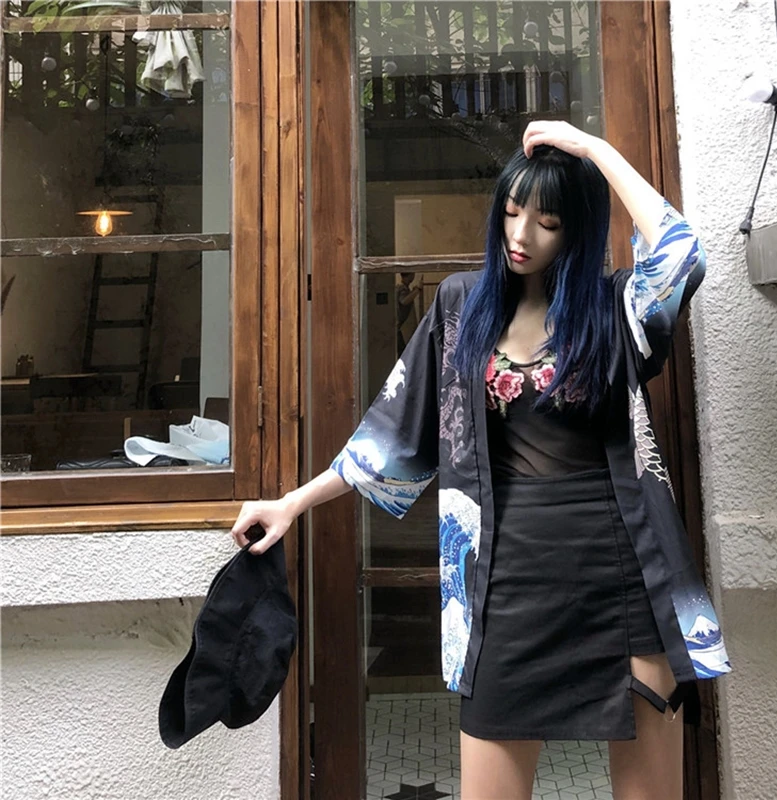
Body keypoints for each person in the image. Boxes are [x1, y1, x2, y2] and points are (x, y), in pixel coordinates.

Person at [231, 120, 731, 800]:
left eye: (548, 222)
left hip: (624, 580)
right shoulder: (461, 307)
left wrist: (593, 149)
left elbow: (682, 254)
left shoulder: (616, 308)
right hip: (505, 585)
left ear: (577, 231)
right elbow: (392, 432)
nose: (521, 235)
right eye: (513, 211)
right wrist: (291, 502)